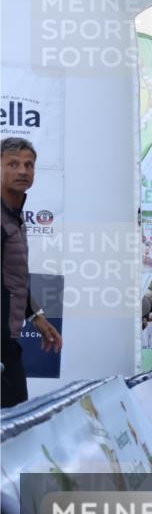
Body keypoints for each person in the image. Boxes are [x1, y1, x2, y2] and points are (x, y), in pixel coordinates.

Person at [2, 138, 62, 407]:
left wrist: (36, 316)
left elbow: (11, 280)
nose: (23, 171)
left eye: (29, 165)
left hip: (8, 336)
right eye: (13, 164)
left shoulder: (14, 216)